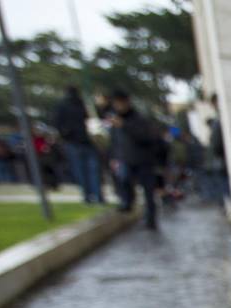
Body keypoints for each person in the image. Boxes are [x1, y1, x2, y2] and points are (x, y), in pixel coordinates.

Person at [107, 88, 161, 229]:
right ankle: (127, 203)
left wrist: (125, 126)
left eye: (120, 103)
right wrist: (113, 157)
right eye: (116, 103)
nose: (118, 106)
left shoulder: (139, 119)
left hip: (143, 160)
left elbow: (146, 137)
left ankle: (151, 219)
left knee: (148, 192)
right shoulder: (115, 121)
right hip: (125, 159)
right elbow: (114, 142)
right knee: (123, 179)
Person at [52, 86, 105, 204]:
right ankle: (97, 196)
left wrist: (65, 135)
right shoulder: (82, 104)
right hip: (85, 141)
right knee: (93, 170)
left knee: (82, 171)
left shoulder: (63, 106)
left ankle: (88, 196)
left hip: (76, 142)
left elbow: (56, 123)